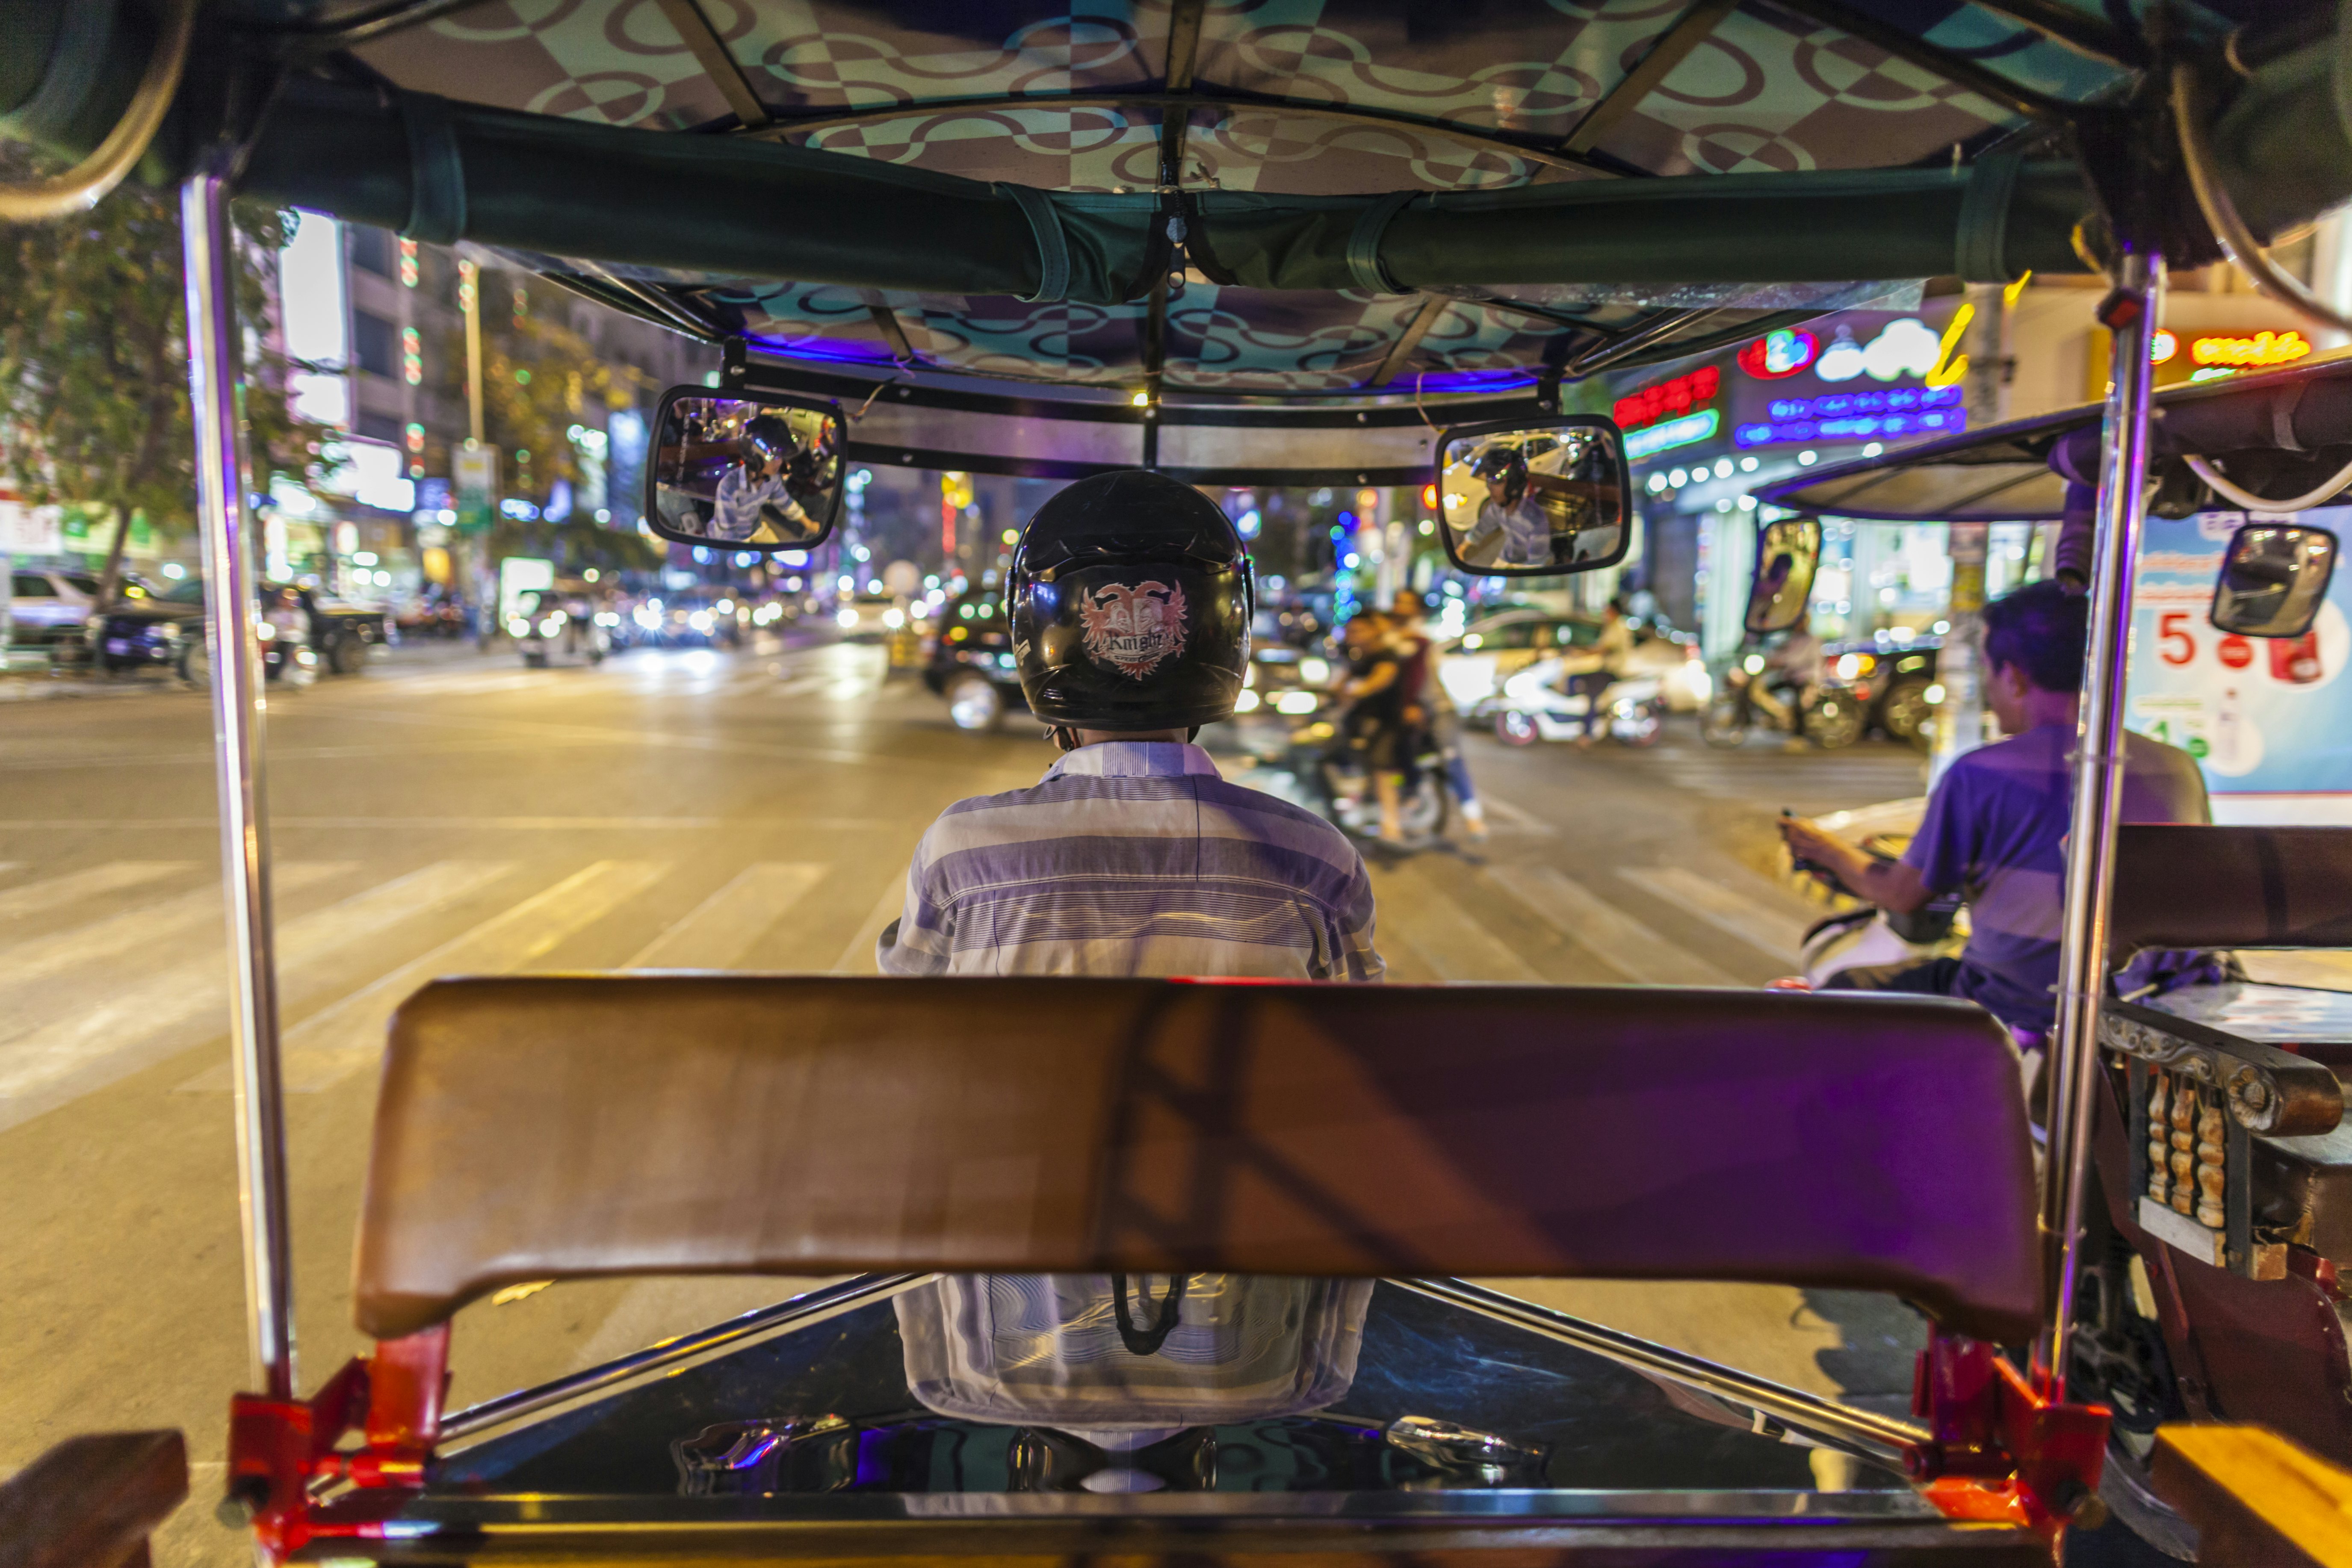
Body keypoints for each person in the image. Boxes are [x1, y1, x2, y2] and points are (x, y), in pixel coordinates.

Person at [875, 470, 1382, 1453]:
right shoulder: (1312, 858)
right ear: (1222, 641)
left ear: (1039, 646)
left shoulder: (961, 850)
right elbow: (1359, 1084)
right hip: (1257, 1364)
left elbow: (910, 1072)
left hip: (1003, 1366)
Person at [1779, 580, 2208, 1034]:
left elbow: (1902, 894)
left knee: (1847, 986)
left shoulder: (1981, 774)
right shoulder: (2177, 767)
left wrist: (1824, 849)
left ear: (2015, 676)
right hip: (2147, 1001)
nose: (1986, 685)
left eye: (1986, 668)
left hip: (2019, 1002)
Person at [1336, 609, 1411, 844]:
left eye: (1359, 630)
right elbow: (1339, 682)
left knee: (1381, 770)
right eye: (1350, 631)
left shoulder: (1386, 657)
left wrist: (1356, 690)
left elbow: (1378, 681)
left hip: (1388, 725)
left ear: (1374, 631)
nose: (1353, 635)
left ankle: (1392, 827)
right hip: (1362, 723)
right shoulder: (1361, 658)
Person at [709, 414, 813, 543]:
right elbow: (726, 534)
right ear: (753, 457)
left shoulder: (773, 479)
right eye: (772, 457)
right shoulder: (729, 486)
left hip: (756, 529)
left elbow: (785, 503)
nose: (779, 463)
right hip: (733, 539)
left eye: (781, 456)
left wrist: (809, 524)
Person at [1561, 597, 1634, 745]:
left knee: (1591, 695)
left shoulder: (1618, 626)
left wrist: (1580, 653)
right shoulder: (1613, 626)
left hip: (1612, 671)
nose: (1604, 613)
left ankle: (1587, 734)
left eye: (1606, 610)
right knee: (1574, 679)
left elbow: (1603, 649)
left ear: (1613, 611)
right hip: (1606, 669)